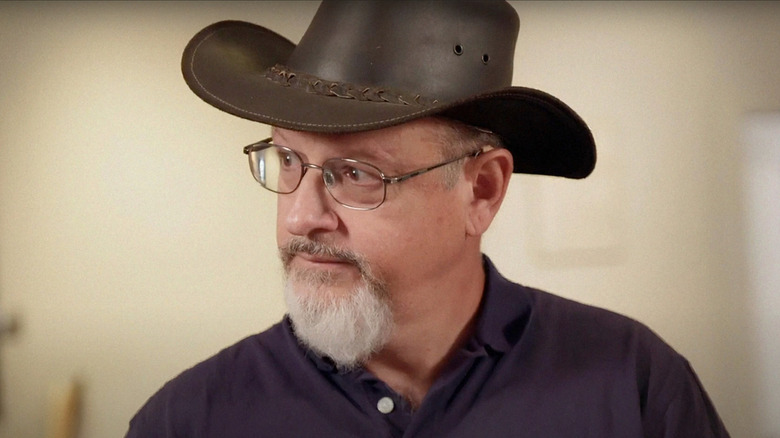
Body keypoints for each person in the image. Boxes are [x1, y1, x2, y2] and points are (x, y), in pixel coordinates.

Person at [127, 2, 730, 437]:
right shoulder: (190, 421)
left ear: (482, 190)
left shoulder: (633, 386)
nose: (301, 216)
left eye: (357, 173)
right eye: (288, 160)